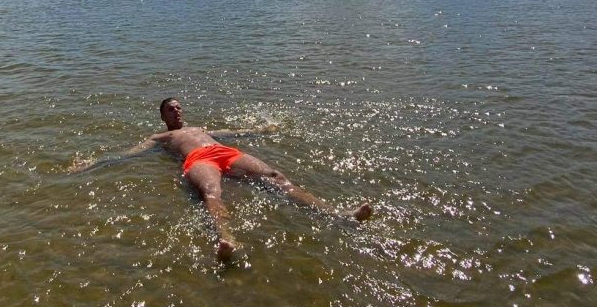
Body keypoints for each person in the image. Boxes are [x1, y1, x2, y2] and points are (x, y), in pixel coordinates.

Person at [71, 96, 373, 262]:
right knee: (211, 193)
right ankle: (227, 239)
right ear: (162, 116)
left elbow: (233, 132)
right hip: (198, 160)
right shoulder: (161, 136)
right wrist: (94, 162)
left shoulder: (203, 127)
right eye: (170, 109)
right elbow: (130, 153)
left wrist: (261, 131)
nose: (176, 111)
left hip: (224, 152)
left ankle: (339, 215)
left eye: (178, 107)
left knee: (275, 176)